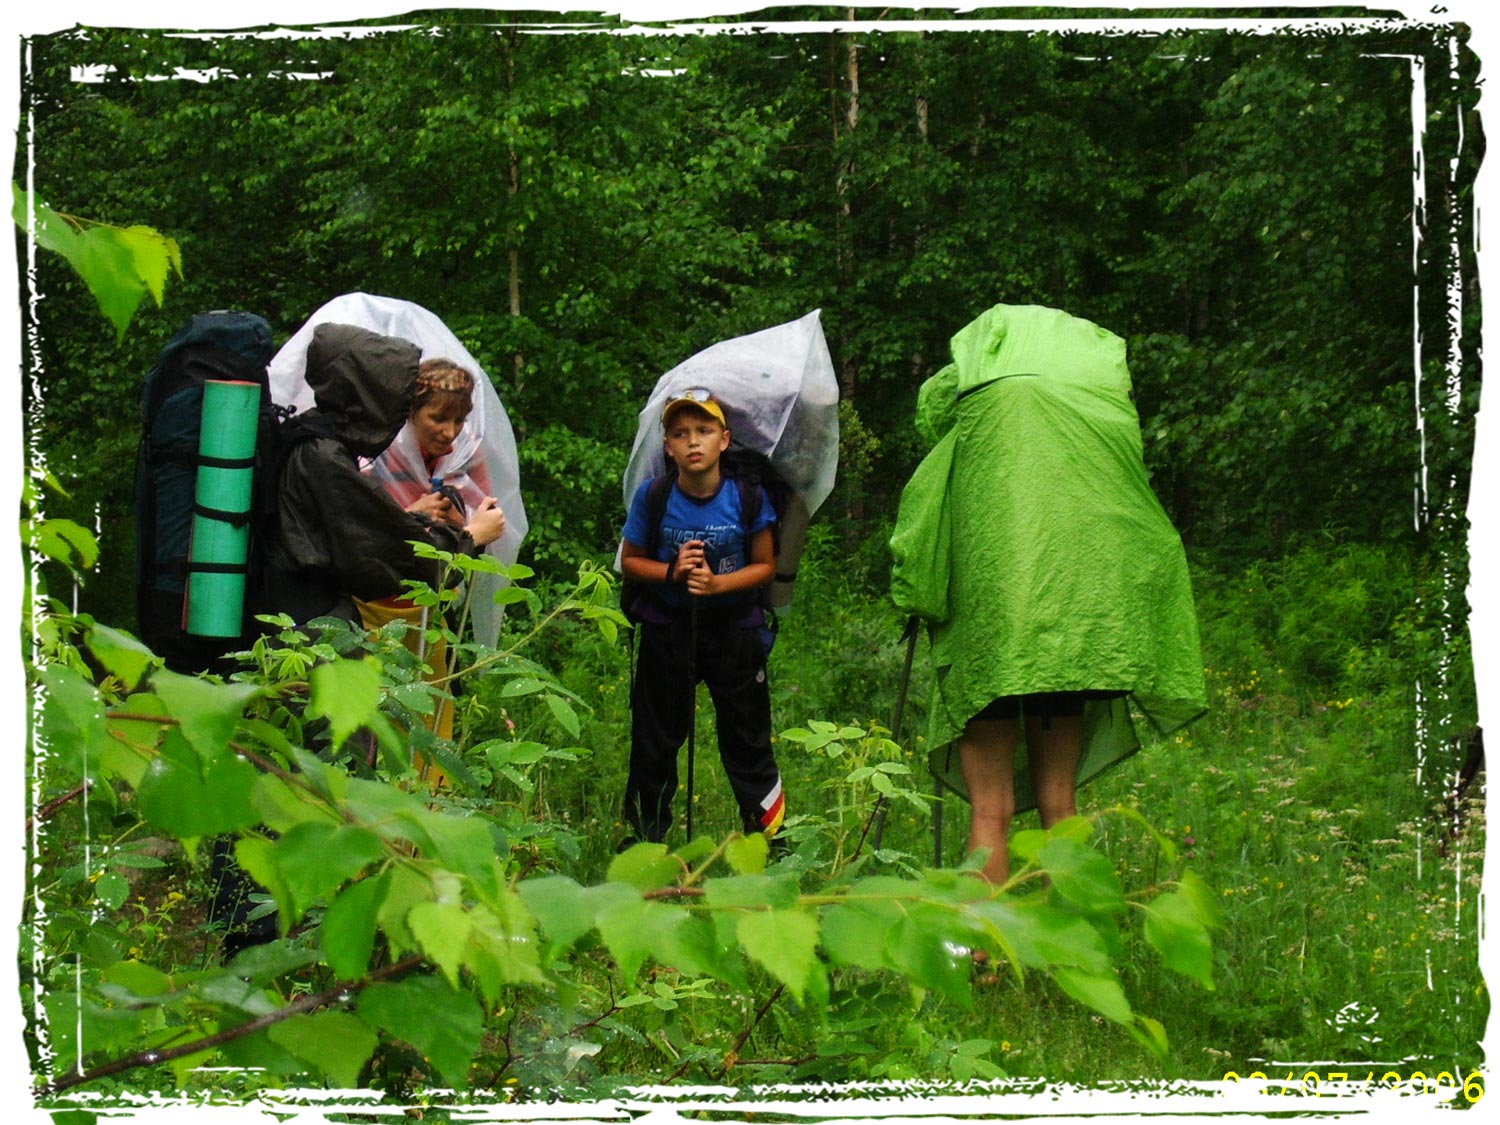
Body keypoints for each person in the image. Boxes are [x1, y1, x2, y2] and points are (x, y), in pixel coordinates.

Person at [890, 303, 1206, 884]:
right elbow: (1141, 536)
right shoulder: (1090, 441)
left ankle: (983, 960)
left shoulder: (968, 440)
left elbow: (918, 545)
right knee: (1060, 806)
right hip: (1071, 652)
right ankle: (1074, 944)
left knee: (991, 808)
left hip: (990, 650)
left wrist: (914, 600)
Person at [618, 390, 785, 848]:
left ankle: (770, 837)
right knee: (654, 739)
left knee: (748, 741)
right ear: (667, 446)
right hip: (668, 626)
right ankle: (643, 839)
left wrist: (715, 585)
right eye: (680, 433)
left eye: (704, 431)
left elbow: (765, 565)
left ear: (724, 440)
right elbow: (631, 562)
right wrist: (672, 571)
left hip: (735, 630)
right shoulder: (654, 497)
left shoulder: (747, 496)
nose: (694, 442)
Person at [264, 323, 506, 634]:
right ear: (368, 394)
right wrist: (471, 537)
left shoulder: (309, 436)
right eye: (395, 400)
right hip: (311, 628)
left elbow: (361, 531)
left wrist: (424, 518)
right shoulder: (324, 457)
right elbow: (399, 562)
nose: (397, 412)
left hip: (302, 613)